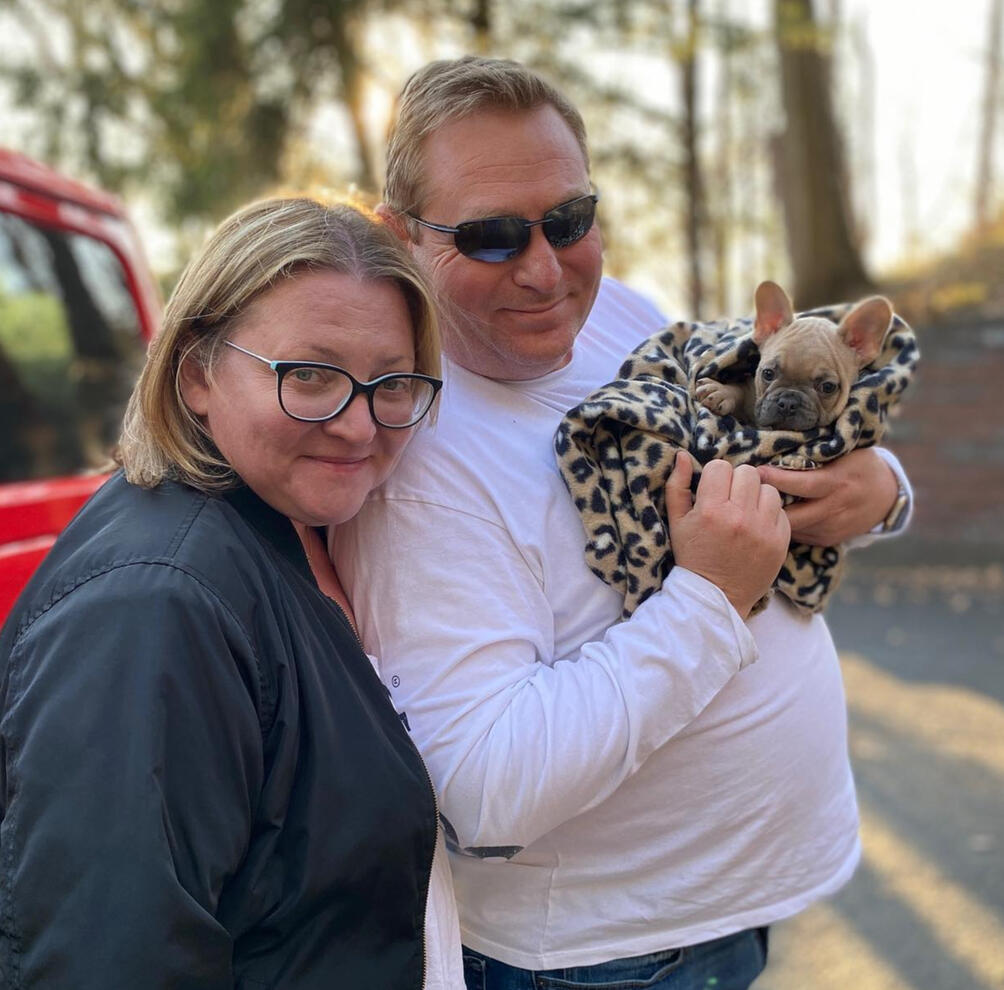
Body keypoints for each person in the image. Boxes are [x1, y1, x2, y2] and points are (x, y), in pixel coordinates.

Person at [330, 56, 914, 990]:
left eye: (569, 220)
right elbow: (482, 790)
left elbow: (783, 430)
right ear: (399, 236)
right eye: (489, 237)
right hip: (608, 958)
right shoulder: (412, 459)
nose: (543, 270)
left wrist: (881, 488)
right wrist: (711, 596)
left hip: (724, 912)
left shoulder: (619, 318)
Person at [0, 197, 465, 989]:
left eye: (390, 383)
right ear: (197, 375)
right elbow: (110, 960)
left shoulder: (295, 531)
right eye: (309, 376)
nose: (359, 426)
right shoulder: (156, 603)